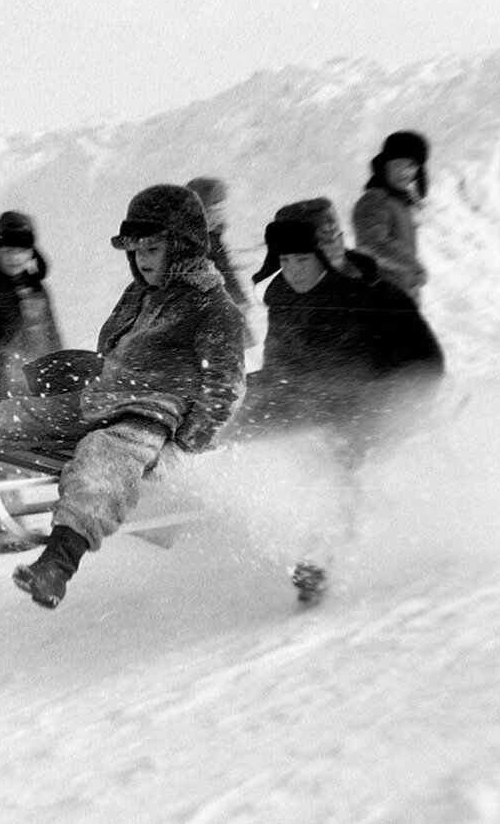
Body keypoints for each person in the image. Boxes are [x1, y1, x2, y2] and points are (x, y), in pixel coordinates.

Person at [0, 185, 246, 609]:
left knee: (100, 460)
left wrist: (182, 447)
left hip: (150, 417)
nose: (143, 259)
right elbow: (110, 352)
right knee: (15, 416)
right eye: (136, 250)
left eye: (153, 248)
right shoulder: (139, 295)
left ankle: (57, 564)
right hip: (100, 400)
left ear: (182, 246)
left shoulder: (211, 307)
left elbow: (226, 385)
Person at [231, 197, 445, 604]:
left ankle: (320, 556)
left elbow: (424, 362)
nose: (291, 270)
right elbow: (280, 367)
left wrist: (394, 411)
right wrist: (240, 398)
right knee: (228, 413)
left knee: (336, 461)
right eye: (285, 260)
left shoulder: (375, 295)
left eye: (301, 259)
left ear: (327, 254)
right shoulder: (284, 298)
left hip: (382, 400)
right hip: (314, 397)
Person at [0, 211, 63, 419]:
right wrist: (2, 358)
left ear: (32, 253)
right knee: (3, 437)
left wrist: (60, 366)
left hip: (39, 382)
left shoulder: (38, 290)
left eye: (21, 251)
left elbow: (51, 334)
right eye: (7, 250)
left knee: (43, 436)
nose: (14, 258)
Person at [351, 131, 431, 300]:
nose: (404, 172)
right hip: (379, 300)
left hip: (401, 300)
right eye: (397, 164)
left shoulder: (400, 204)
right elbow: (371, 244)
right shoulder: (374, 201)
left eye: (411, 165)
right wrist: (412, 266)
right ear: (385, 165)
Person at [185, 177, 255, 347]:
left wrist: (239, 298)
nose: (219, 214)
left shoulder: (213, 238)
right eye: (214, 208)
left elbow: (225, 270)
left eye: (221, 208)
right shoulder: (192, 245)